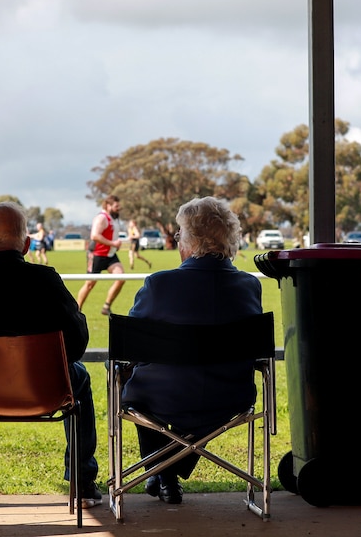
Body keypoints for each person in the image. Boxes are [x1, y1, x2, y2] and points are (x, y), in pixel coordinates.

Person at [0, 202, 101, 509]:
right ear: (26, 244)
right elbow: (76, 347)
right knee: (80, 377)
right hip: (46, 391)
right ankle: (83, 483)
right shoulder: (48, 281)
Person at [121, 196, 263, 504]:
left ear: (190, 239)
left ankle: (164, 472)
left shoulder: (159, 284)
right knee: (173, 387)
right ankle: (168, 471)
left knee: (134, 385)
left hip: (163, 396)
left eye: (179, 233)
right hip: (229, 398)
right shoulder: (249, 286)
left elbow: (131, 346)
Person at [77, 195, 125, 315]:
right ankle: (77, 311)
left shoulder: (113, 218)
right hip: (97, 255)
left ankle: (106, 306)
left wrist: (114, 244)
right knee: (89, 284)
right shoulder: (101, 218)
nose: (119, 208)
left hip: (110, 256)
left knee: (121, 278)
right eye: (116, 206)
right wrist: (113, 243)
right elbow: (94, 236)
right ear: (108, 206)